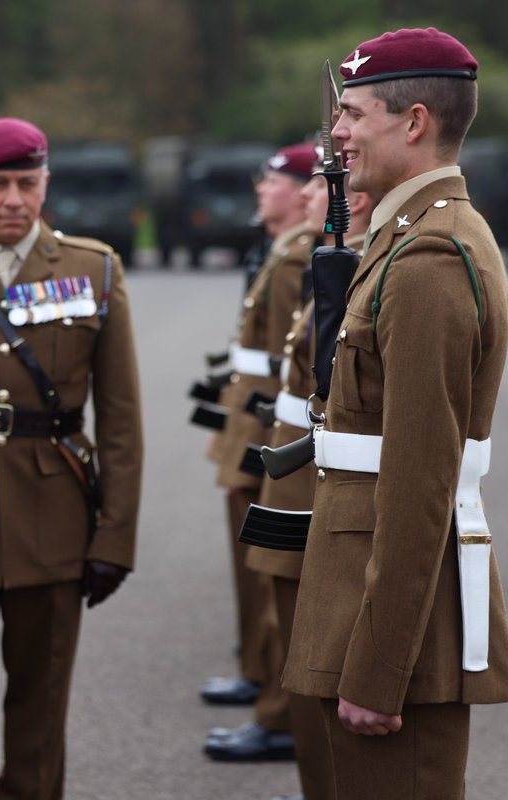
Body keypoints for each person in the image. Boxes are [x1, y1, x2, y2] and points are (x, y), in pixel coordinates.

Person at [283, 28, 508, 798]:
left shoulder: (431, 256)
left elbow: (420, 480)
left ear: (413, 122)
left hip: (388, 628)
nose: (337, 132)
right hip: (357, 588)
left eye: (351, 114)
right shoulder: (405, 236)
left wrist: (380, 670)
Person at [0, 117, 143, 799]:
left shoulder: (92, 267)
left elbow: (124, 419)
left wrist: (115, 539)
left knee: (40, 708)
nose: (12, 198)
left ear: (46, 184)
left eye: (26, 182)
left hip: (54, 518)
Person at [239, 172, 373, 800]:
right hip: (295, 466)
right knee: (300, 650)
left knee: (318, 657)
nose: (314, 198)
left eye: (328, 188)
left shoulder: (359, 265)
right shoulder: (329, 261)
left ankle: (278, 719)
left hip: (323, 475)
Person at [201, 144, 315, 764]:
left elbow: (286, 370)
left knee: (271, 581)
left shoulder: (299, 256)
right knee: (256, 578)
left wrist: (259, 449)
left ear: (302, 191)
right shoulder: (280, 251)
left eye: (273, 180)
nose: (262, 189)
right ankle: (257, 675)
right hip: (255, 428)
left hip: (272, 432)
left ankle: (276, 711)